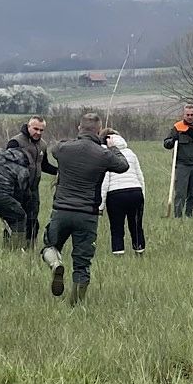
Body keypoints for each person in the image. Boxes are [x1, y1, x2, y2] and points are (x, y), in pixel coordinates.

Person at [41, 113, 130, 305]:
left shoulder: (64, 148)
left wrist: (75, 140)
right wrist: (113, 148)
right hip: (87, 215)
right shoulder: (103, 154)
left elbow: (54, 147)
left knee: (49, 246)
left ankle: (56, 264)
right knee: (82, 262)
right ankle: (76, 303)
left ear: (79, 128)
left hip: (61, 211)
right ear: (98, 131)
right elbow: (123, 166)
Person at [5, 116, 58, 247]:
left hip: (34, 191)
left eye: (41, 130)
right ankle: (10, 247)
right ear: (28, 127)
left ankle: (29, 248)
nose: (38, 133)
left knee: (33, 220)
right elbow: (6, 166)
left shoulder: (43, 145)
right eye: (35, 129)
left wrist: (61, 171)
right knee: (14, 220)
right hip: (16, 190)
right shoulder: (15, 142)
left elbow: (44, 165)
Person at [99, 133, 146, 255]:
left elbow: (105, 181)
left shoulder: (106, 155)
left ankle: (118, 252)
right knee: (136, 225)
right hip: (136, 192)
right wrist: (142, 196)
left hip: (115, 195)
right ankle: (139, 250)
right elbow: (140, 176)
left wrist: (101, 205)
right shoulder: (131, 153)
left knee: (117, 227)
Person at [162, 104, 193, 218]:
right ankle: (178, 217)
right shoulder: (177, 127)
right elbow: (166, 143)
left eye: (191, 115)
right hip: (181, 164)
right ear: (183, 114)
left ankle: (190, 216)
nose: (189, 117)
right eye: (187, 115)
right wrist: (173, 139)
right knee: (180, 193)